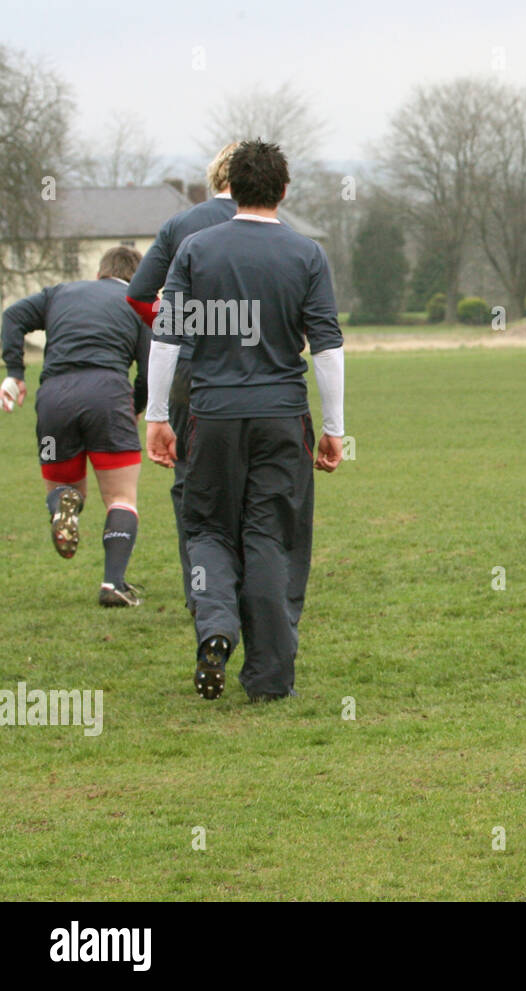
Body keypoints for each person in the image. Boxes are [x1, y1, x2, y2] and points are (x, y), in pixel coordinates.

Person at [145, 139, 345, 701]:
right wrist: (335, 427)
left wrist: (158, 415)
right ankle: (270, 676)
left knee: (206, 527)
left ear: (228, 185)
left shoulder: (196, 249)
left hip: (209, 414)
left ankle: (214, 629)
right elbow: (326, 346)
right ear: (283, 190)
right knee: (271, 535)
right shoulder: (307, 255)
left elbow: (167, 337)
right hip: (281, 415)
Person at [126, 141, 239, 616]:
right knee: (249, 480)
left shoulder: (180, 225)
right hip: (251, 371)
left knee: (190, 483)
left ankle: (201, 593)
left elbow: (136, 295)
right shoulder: (278, 227)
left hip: (190, 372)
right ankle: (246, 587)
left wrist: (178, 325)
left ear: (216, 177)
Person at [2, 247, 148, 606]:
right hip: (107, 395)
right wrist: (137, 407)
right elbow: (150, 370)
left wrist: (14, 373)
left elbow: (11, 317)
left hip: (54, 397)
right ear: (136, 277)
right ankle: (113, 584)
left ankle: (63, 504)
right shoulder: (137, 304)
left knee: (66, 486)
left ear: (100, 272)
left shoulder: (59, 293)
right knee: (121, 498)